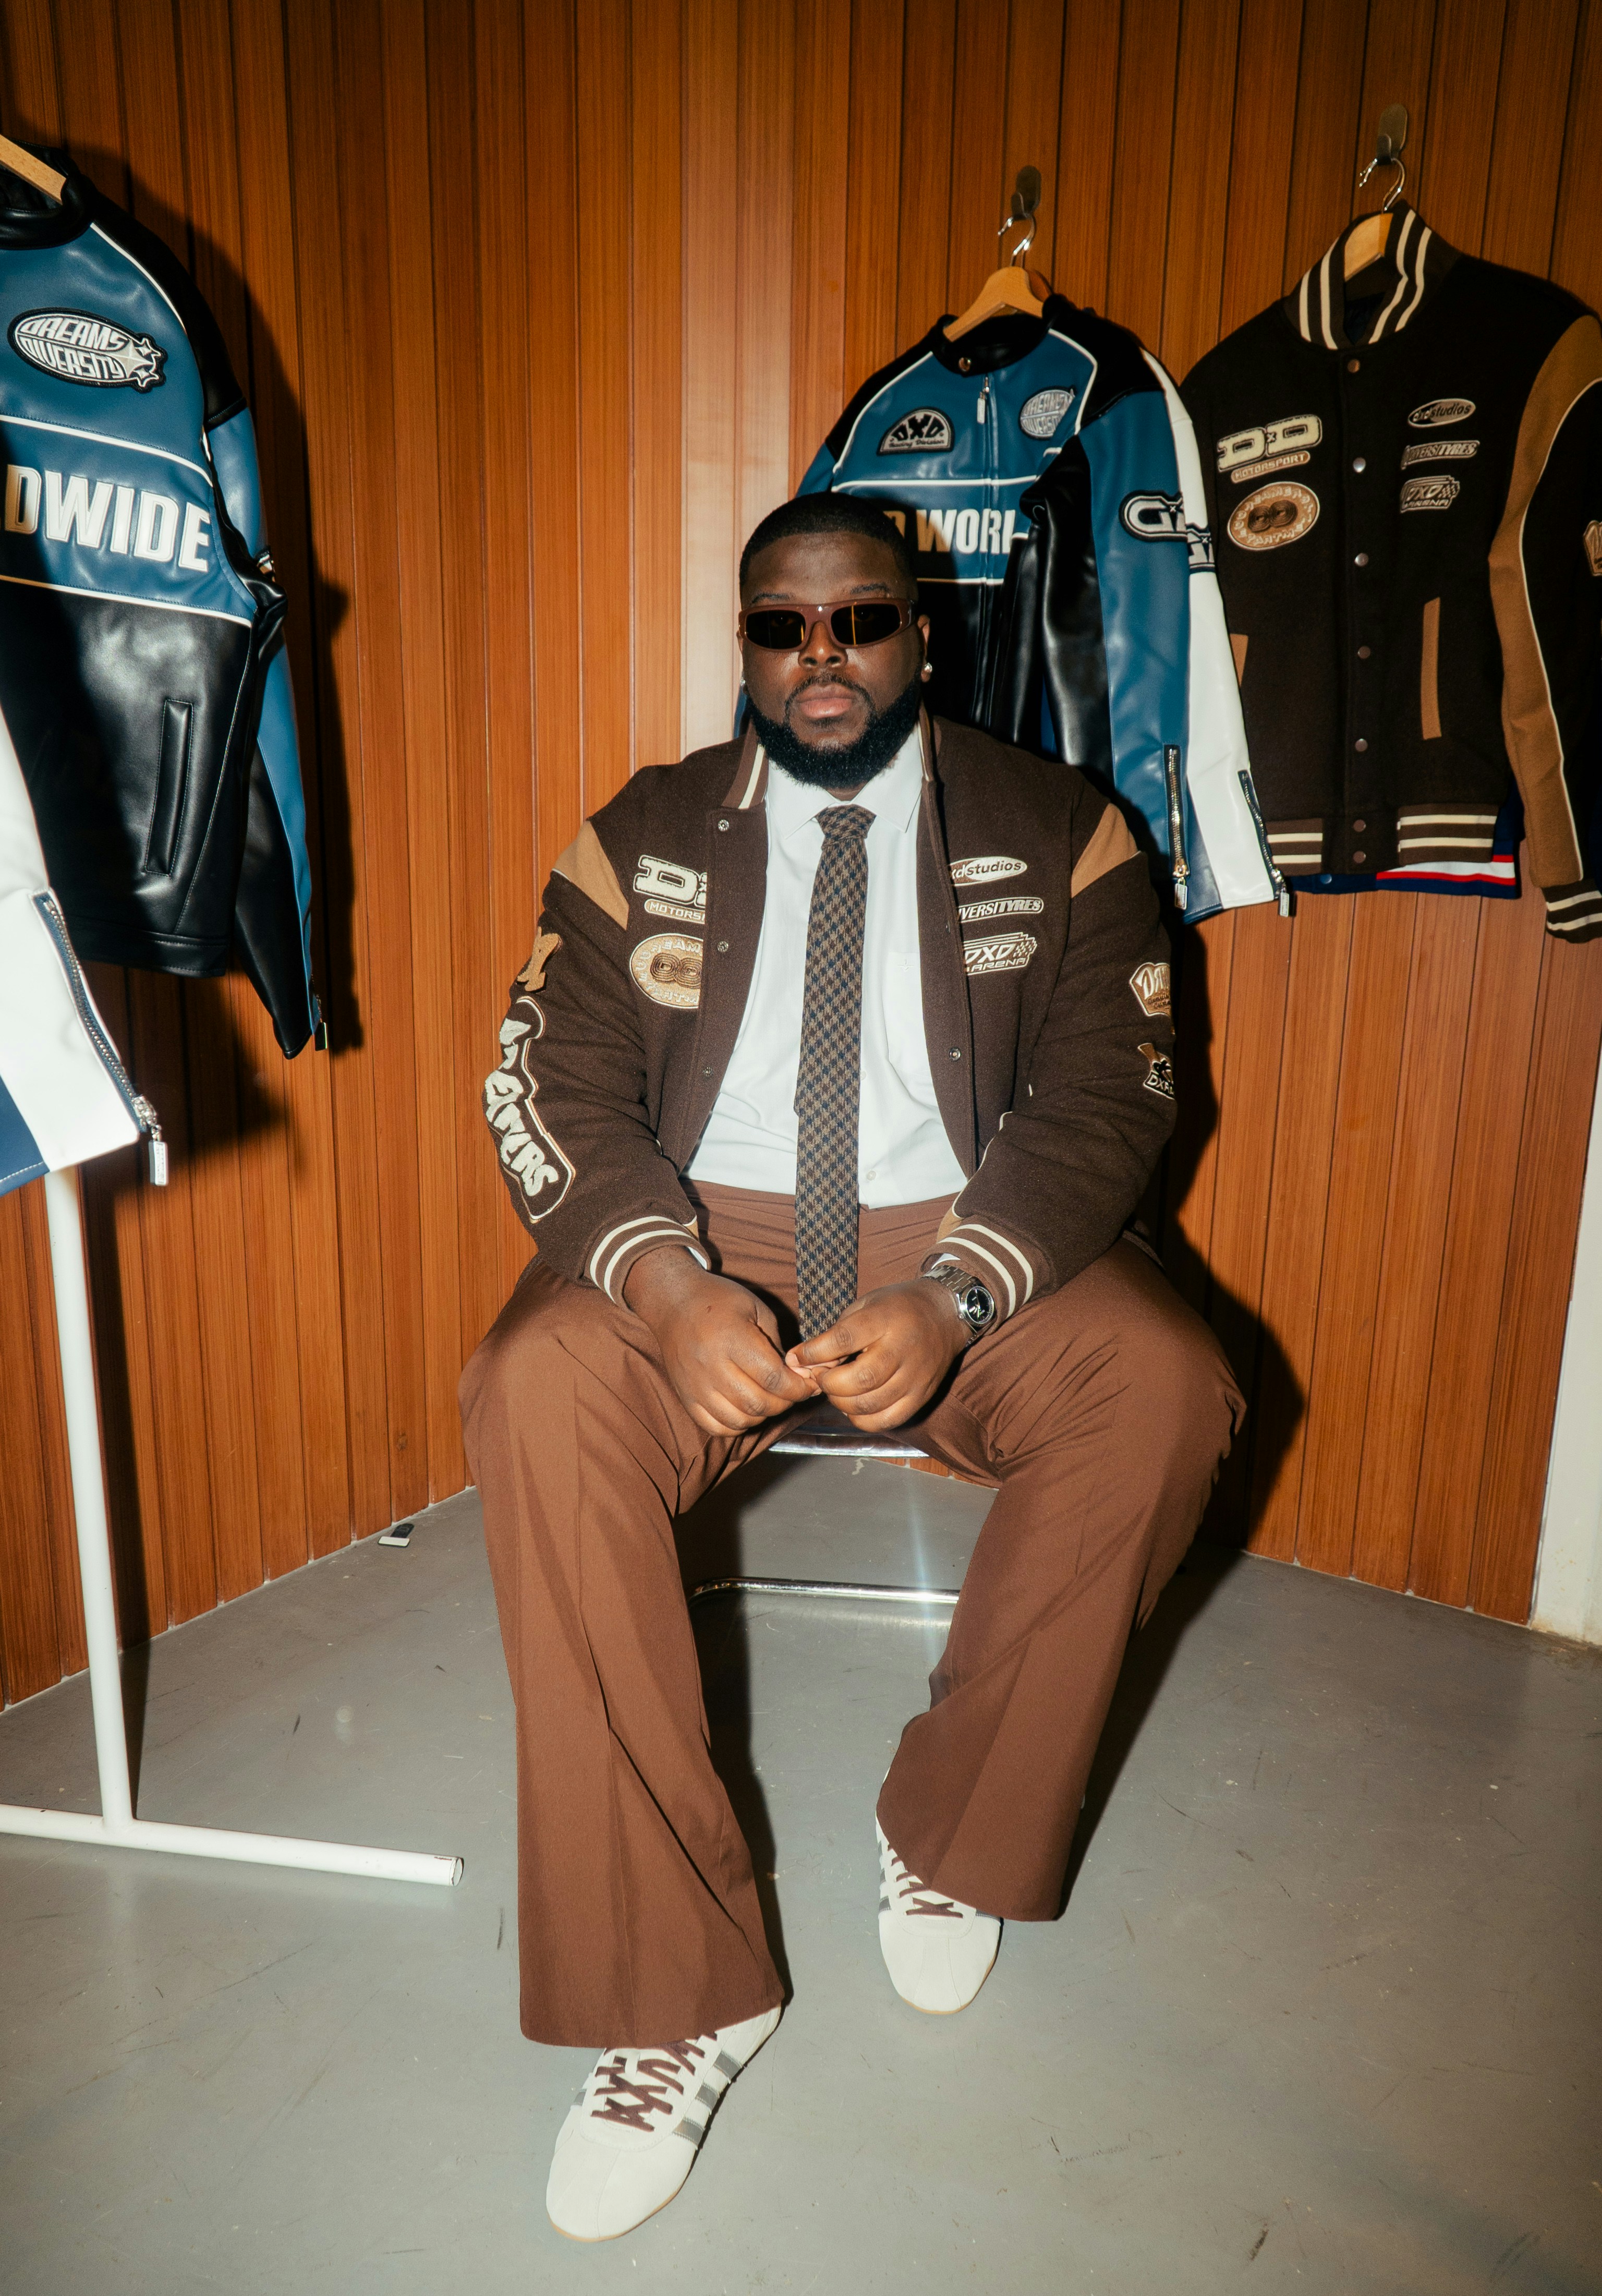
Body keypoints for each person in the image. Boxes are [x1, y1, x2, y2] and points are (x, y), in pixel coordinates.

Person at [460, 495, 1243, 2242]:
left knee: (1166, 1386)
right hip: (697, 1238)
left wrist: (963, 1289)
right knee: (534, 1387)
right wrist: (660, 1287)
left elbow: (1118, 1096)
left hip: (962, 1236)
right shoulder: (639, 833)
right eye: (780, 628)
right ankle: (680, 1984)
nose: (821, 659)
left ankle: (953, 1827)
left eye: (860, 620)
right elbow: (543, 1084)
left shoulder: (1066, 830)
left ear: (925, 633)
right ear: (743, 642)